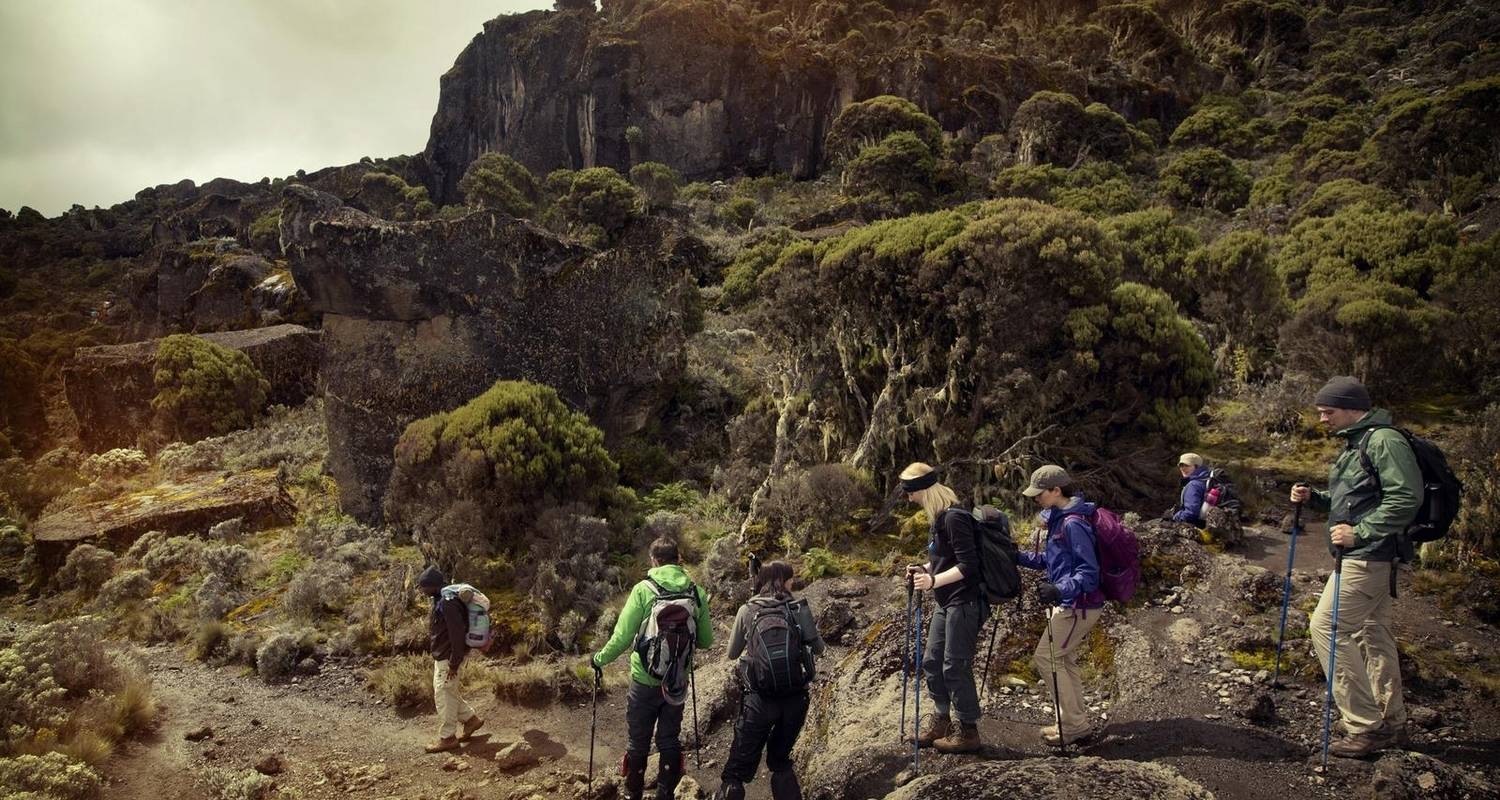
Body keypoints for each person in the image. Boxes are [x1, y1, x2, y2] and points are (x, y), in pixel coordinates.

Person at [1290, 376, 1418, 757]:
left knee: (1326, 628)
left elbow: (1405, 498)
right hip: (1371, 555)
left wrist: (1360, 533)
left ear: (1351, 408)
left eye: (1328, 412)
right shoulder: (1358, 443)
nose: (1323, 419)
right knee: (1372, 634)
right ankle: (1391, 722)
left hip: (1369, 556)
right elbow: (1354, 500)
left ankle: (1364, 726)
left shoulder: (1383, 440)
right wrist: (1315, 498)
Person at [593, 537, 714, 800]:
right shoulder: (696, 592)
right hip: (677, 682)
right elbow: (706, 641)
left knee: (638, 742)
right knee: (669, 740)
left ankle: (632, 795)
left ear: (653, 560)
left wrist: (598, 660)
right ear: (678, 558)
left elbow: (622, 637)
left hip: (644, 679)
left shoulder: (643, 590)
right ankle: (665, 795)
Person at [714, 560, 825, 800]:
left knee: (736, 770)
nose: (793, 582)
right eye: (790, 578)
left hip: (759, 700)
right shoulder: (797, 607)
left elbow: (732, 653)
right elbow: (819, 649)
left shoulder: (747, 610)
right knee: (781, 762)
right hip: (795, 699)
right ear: (783, 581)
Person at [900, 462, 988, 754]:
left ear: (920, 489)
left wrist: (933, 580)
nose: (907, 497)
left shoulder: (954, 518)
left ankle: (967, 730)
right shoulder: (938, 519)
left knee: (954, 665)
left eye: (908, 491)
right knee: (932, 661)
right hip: (946, 601)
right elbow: (944, 559)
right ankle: (941, 720)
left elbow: (969, 565)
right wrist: (923, 569)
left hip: (964, 601)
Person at [1017, 465, 1103, 747]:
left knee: (1046, 657)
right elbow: (1051, 562)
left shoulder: (1073, 523)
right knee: (1063, 659)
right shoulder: (1059, 519)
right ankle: (1074, 722)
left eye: (1040, 494)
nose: (1036, 499)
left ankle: (1074, 726)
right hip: (1071, 603)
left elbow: (1088, 573)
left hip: (1078, 605)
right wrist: (1017, 556)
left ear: (1056, 490)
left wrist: (1059, 589)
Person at [417, 566, 484, 753]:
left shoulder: (447, 602)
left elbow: (456, 633)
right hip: (445, 656)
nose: (422, 591)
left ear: (432, 586)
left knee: (443, 694)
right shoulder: (443, 599)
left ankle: (447, 738)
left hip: (448, 658)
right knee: (448, 691)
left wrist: (454, 661)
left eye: (423, 587)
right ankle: (471, 720)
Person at [1171, 453, 1211, 526]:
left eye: (1187, 465)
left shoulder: (1194, 485)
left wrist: (1174, 517)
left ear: (1197, 467)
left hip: (1199, 527)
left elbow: (1191, 513)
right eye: (1181, 465)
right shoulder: (1206, 480)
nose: (1183, 468)